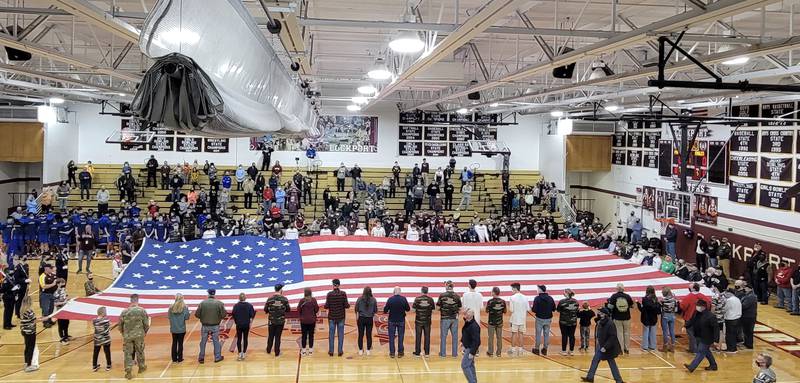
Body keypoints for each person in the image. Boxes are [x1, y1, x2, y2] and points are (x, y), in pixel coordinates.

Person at [581, 307, 623, 383]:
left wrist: (605, 347)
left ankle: (619, 380)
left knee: (611, 363)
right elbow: (596, 320)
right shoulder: (601, 321)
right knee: (595, 361)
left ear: (605, 314)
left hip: (607, 347)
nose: (599, 314)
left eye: (600, 313)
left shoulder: (610, 323)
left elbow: (612, 336)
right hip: (601, 345)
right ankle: (590, 377)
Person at [120, 294, 149, 380]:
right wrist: (144, 332)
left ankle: (128, 371)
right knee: (140, 351)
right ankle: (141, 367)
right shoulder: (142, 310)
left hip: (127, 335)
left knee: (128, 353)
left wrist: (123, 333)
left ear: (130, 300)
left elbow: (120, 325)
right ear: (137, 300)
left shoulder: (124, 312)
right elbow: (146, 324)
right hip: (139, 335)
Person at [684, 299, 718, 373]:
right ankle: (713, 365)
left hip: (707, 338)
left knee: (701, 351)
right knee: (706, 351)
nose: (696, 307)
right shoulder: (696, 313)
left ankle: (692, 367)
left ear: (703, 307)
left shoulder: (711, 316)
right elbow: (692, 320)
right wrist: (685, 326)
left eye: (698, 305)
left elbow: (716, 329)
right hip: (698, 335)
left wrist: (716, 340)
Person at [195, 288, 226, 363]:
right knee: (216, 341)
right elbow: (224, 315)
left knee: (203, 342)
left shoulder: (202, 303)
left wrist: (203, 316)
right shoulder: (219, 303)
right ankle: (217, 357)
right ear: (214, 294)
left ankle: (201, 357)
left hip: (205, 325)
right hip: (215, 325)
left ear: (208, 294)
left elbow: (197, 315)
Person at [680, 282, 711, 353]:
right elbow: (708, 305)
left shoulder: (688, 297)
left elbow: (682, 306)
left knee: (691, 334)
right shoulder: (703, 296)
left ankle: (694, 349)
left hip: (690, 318)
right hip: (701, 319)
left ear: (693, 289)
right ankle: (699, 348)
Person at [437, 280, 462, 358]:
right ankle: (454, 354)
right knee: (455, 336)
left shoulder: (442, 295)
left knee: (443, 336)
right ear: (453, 286)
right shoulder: (457, 296)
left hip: (445, 318)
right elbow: (460, 308)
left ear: (447, 286)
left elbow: (437, 307)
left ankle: (443, 354)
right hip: (454, 318)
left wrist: (443, 308)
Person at [606, 283, 633, 354]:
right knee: (626, 333)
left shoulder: (614, 296)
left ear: (617, 289)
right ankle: (626, 349)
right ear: (623, 289)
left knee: (619, 333)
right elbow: (632, 305)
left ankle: (620, 349)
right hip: (627, 317)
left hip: (617, 318)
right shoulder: (627, 296)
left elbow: (610, 307)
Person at [325, 278, 350, 357]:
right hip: (341, 317)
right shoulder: (343, 294)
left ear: (333, 285)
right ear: (339, 285)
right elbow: (346, 305)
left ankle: (331, 351)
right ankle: (340, 351)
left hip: (332, 317)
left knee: (331, 335)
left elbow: (326, 306)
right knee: (341, 334)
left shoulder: (329, 294)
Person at [384, 286, 410, 358]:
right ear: (400, 292)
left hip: (392, 320)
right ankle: (400, 353)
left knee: (391, 337)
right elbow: (408, 309)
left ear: (394, 292)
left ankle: (392, 353)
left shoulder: (390, 299)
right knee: (401, 337)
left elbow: (385, 310)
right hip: (401, 320)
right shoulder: (403, 299)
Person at [265, 284, 290, 357]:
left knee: (271, 336)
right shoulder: (284, 299)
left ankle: (268, 350)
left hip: (271, 321)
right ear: (281, 290)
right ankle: (277, 352)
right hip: (280, 321)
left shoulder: (270, 299)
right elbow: (288, 310)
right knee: (278, 337)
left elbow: (265, 310)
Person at [531, 284, 555, 355]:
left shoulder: (537, 298)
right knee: (546, 334)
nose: (537, 290)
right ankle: (545, 349)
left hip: (539, 318)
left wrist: (532, 308)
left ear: (540, 290)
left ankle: (537, 349)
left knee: (538, 334)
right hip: (548, 318)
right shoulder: (550, 298)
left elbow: (534, 310)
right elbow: (554, 309)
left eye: (537, 289)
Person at [636, 285, 661, 351]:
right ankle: (652, 346)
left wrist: (638, 304)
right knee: (653, 332)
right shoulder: (656, 299)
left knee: (645, 332)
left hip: (646, 318)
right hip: (653, 318)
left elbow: (642, 309)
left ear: (647, 291)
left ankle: (645, 346)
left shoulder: (645, 299)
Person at [232, 293, 255, 361]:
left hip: (239, 325)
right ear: (245, 298)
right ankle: (244, 353)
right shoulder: (249, 305)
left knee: (239, 338)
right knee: (245, 338)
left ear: (239, 298)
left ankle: (239, 353)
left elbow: (233, 314)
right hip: (246, 325)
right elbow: (252, 315)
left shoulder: (236, 306)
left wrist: (236, 321)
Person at [412, 286, 435, 357]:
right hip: (427, 321)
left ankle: (417, 353)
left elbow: (413, 310)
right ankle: (427, 353)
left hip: (418, 321)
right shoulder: (431, 299)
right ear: (427, 291)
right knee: (427, 337)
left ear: (421, 291)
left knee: (418, 336)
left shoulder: (417, 299)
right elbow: (433, 311)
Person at [355, 286, 377, 356]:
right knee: (369, 335)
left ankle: (360, 350)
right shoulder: (373, 300)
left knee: (360, 335)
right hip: (369, 319)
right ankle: (368, 351)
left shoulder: (359, 299)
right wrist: (372, 313)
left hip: (361, 318)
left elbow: (356, 309)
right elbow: (375, 310)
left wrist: (357, 318)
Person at [168, 294, 190, 363]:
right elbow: (187, 318)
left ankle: (174, 359)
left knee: (174, 342)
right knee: (180, 343)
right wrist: (188, 312)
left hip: (173, 328)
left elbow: (169, 317)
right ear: (182, 298)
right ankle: (180, 358)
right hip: (181, 329)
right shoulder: (184, 307)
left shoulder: (171, 307)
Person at [485, 287, 506, 357]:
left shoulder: (490, 301)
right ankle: (499, 353)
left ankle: (490, 352)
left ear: (494, 293)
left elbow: (487, 311)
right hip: (500, 322)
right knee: (499, 337)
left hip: (491, 322)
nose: (491, 292)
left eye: (492, 291)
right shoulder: (503, 302)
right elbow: (505, 311)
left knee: (490, 337)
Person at [460, 309, 481, 383]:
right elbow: (466, 333)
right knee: (471, 365)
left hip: (470, 349)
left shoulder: (474, 326)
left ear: (470, 316)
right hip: (468, 347)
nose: (465, 315)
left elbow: (477, 341)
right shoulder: (468, 322)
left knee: (464, 365)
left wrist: (472, 353)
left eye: (466, 314)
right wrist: (462, 341)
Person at [297, 288, 319, 356]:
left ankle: (303, 351)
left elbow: (298, 309)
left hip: (303, 321)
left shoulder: (302, 300)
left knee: (304, 336)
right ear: (311, 293)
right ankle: (310, 351)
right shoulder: (313, 300)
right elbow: (316, 309)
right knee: (311, 335)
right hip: (312, 321)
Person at [557, 288, 579, 355]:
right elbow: (577, 311)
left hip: (564, 322)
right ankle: (571, 351)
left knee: (564, 335)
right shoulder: (576, 301)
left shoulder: (562, 302)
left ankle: (564, 351)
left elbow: (558, 310)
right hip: (573, 322)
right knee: (572, 335)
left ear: (566, 293)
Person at [508, 282, 528, 356]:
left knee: (514, 334)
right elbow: (528, 309)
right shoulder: (525, 297)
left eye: (512, 289)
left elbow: (511, 310)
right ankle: (521, 350)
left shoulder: (512, 297)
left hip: (515, 319)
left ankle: (513, 349)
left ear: (515, 289)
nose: (512, 290)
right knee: (521, 334)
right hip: (522, 319)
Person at [20, 296, 38, 372]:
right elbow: (34, 321)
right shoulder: (29, 311)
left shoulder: (22, 310)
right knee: (31, 348)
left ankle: (26, 362)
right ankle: (29, 365)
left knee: (27, 347)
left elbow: (31, 319)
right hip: (30, 332)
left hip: (24, 331)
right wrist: (45, 318)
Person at [92, 306, 112, 371]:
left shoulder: (94, 320)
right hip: (106, 339)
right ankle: (108, 365)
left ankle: (94, 366)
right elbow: (109, 327)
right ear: (103, 313)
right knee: (107, 352)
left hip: (97, 339)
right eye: (105, 312)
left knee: (96, 352)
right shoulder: (107, 320)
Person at [723, 288, 742, 353]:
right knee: (734, 334)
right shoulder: (737, 299)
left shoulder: (729, 300)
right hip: (737, 318)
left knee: (729, 335)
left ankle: (731, 349)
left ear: (729, 293)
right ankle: (733, 348)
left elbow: (725, 309)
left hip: (730, 319)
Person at [660, 286, 678, 352]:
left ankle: (665, 347)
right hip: (672, 316)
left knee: (665, 332)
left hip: (665, 316)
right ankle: (672, 347)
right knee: (672, 331)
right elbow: (676, 309)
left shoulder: (663, 300)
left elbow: (661, 309)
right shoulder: (674, 300)